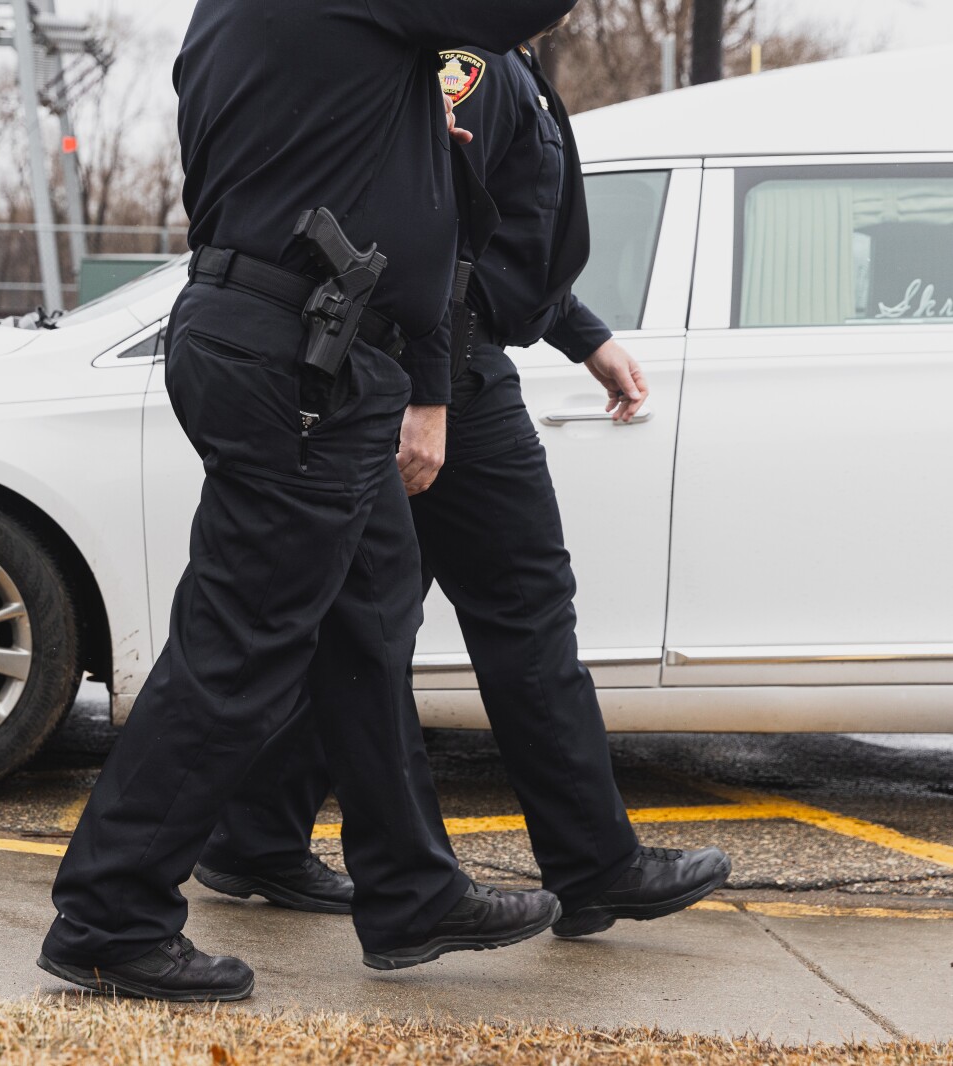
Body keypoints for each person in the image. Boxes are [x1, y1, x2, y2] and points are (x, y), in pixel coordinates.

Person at [38, 0, 579, 1003]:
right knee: (240, 641)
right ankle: (110, 913)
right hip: (301, 357)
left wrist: (406, 151)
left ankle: (411, 887)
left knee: (367, 617)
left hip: (302, 347)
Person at [193, 34, 731, 940]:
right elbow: (426, 231)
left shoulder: (496, 52)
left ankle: (257, 835)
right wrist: (433, 394)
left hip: (441, 367)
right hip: (443, 373)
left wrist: (584, 336)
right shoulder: (463, 57)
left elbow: (497, 235)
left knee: (367, 615)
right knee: (520, 607)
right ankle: (594, 864)